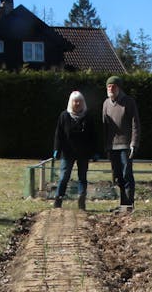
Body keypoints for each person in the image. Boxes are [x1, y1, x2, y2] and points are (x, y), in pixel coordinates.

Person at [52, 91, 98, 210]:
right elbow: (59, 134)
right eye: (75, 101)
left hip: (83, 153)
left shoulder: (88, 117)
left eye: (79, 101)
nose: (77, 103)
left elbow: (93, 136)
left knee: (82, 177)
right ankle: (58, 200)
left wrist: (94, 152)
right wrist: (57, 149)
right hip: (67, 153)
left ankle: (81, 200)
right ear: (70, 102)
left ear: (83, 102)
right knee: (63, 177)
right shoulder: (64, 116)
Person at [102, 75, 141, 212]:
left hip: (125, 145)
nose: (111, 89)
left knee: (126, 174)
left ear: (119, 88)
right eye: (108, 87)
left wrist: (134, 143)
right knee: (117, 175)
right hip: (112, 146)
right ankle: (122, 204)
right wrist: (106, 146)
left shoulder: (128, 102)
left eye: (113, 86)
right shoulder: (106, 103)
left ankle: (128, 205)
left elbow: (135, 123)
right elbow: (105, 126)